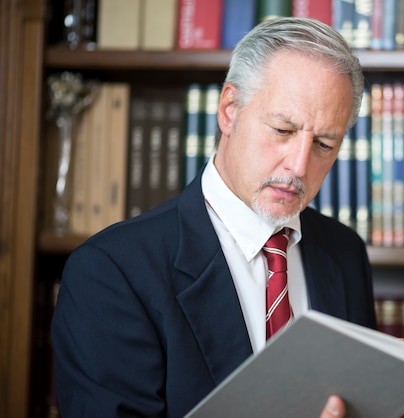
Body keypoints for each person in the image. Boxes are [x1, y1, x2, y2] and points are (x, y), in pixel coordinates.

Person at [51, 16, 376, 417]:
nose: (298, 164)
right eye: (282, 130)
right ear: (228, 110)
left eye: (325, 143)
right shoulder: (111, 272)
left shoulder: (345, 254)